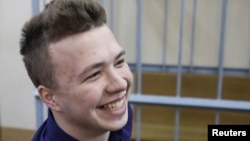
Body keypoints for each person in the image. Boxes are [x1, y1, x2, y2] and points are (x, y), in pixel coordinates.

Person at [19, 0, 134, 140]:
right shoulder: (108, 113)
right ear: (51, 98)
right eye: (94, 75)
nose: (120, 84)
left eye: (119, 62)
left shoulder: (116, 116)